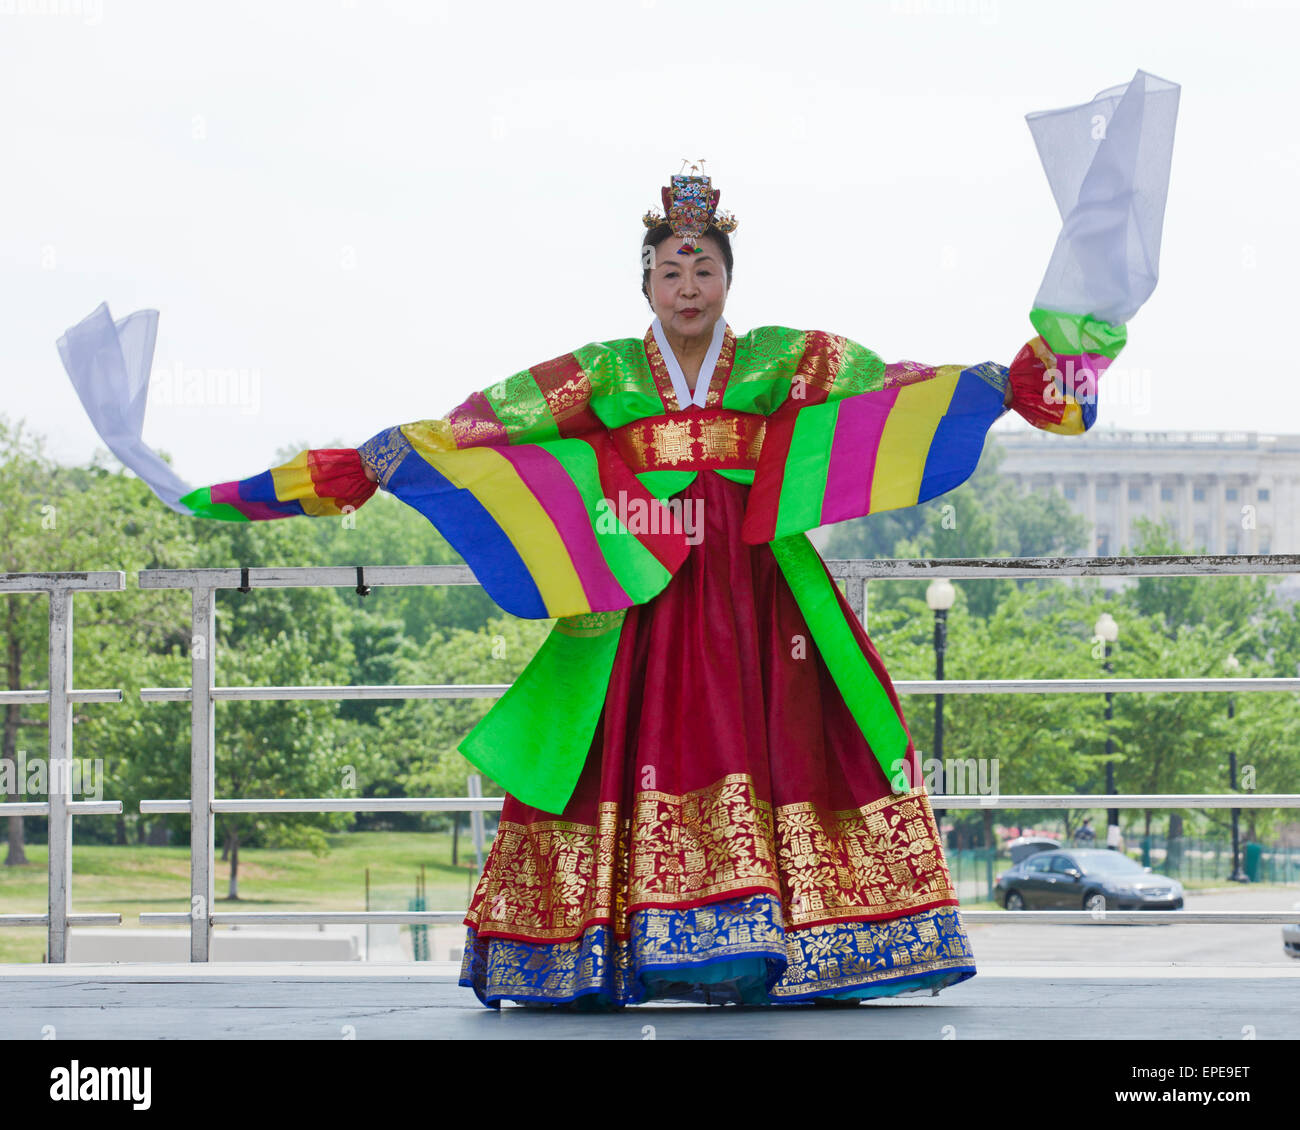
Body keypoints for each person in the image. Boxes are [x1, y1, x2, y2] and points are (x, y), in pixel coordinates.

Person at [56, 73, 1178, 1009]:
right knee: (617, 753)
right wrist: (386, 455)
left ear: (729, 284)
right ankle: (620, 949)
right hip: (634, 593)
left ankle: (772, 950)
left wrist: (1012, 380)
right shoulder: (600, 374)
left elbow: (903, 389)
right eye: (669, 268)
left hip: (758, 592)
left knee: (789, 737)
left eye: (704, 268)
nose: (687, 283)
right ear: (644, 283)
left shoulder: (788, 358)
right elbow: (483, 424)